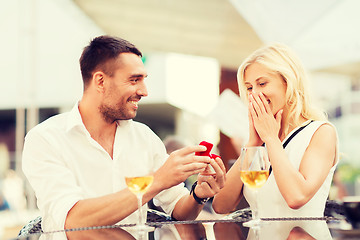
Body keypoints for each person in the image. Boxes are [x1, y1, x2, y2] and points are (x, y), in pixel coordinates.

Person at [22, 35, 226, 232]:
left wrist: (199, 195)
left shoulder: (144, 137)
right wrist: (157, 180)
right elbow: (73, 221)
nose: (144, 91)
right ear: (100, 81)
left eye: (144, 80)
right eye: (134, 80)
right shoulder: (45, 139)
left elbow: (179, 210)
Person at [212, 43, 338, 218]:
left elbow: (296, 197)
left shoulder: (321, 132)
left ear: (288, 82)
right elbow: (220, 205)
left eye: (262, 84)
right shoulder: (259, 141)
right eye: (249, 88)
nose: (254, 94)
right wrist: (253, 143)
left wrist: (271, 139)